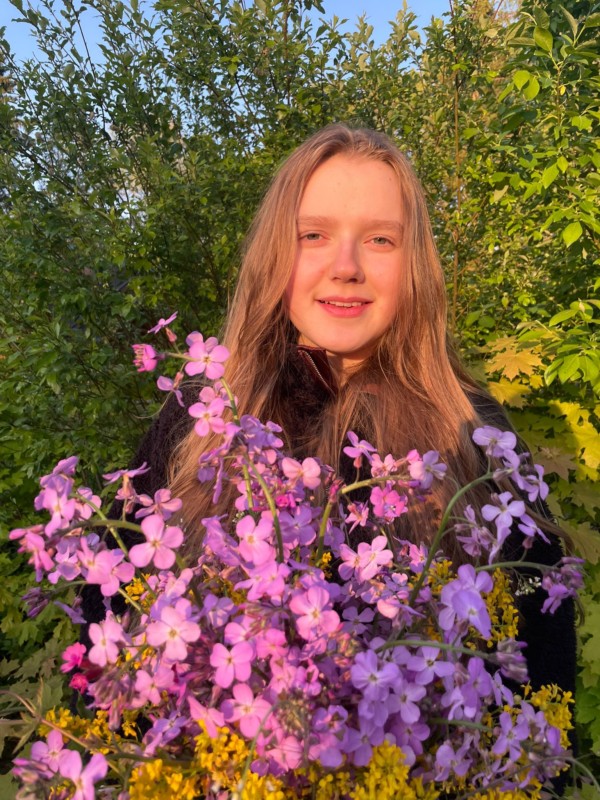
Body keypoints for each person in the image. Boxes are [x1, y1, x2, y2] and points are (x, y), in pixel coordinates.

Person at [82, 123, 576, 712]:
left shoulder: (473, 428)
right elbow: (106, 610)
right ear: (275, 254)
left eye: (380, 240)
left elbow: (545, 675)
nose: (346, 266)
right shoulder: (204, 406)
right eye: (313, 235)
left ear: (414, 266)